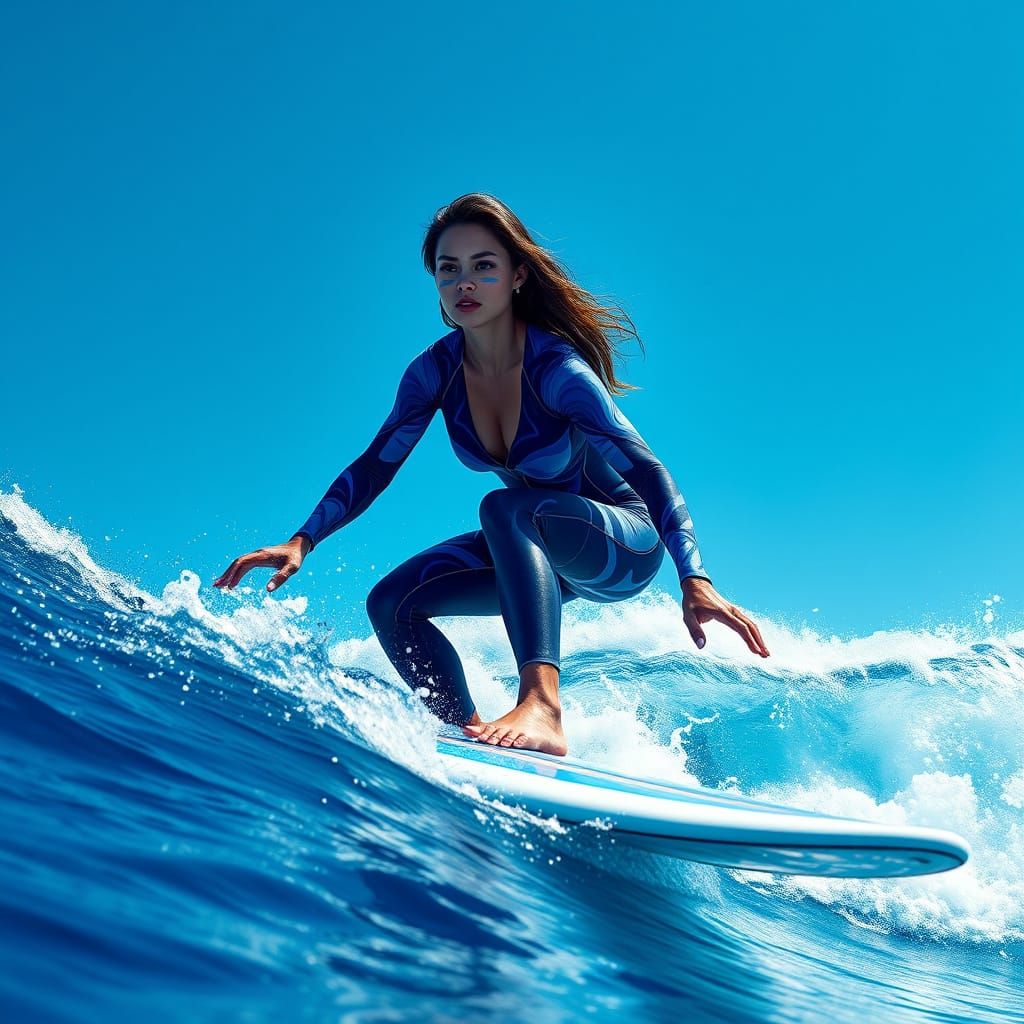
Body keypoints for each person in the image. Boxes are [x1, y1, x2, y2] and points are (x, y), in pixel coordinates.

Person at [214, 193, 770, 756]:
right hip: (538, 554)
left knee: (504, 507)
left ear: (517, 275)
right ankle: (469, 732)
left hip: (621, 545)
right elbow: (377, 462)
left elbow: (649, 471)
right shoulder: (434, 372)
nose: (465, 284)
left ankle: (543, 707)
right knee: (390, 604)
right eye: (449, 269)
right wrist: (303, 540)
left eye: (484, 266)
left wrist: (693, 577)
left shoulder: (558, 372)